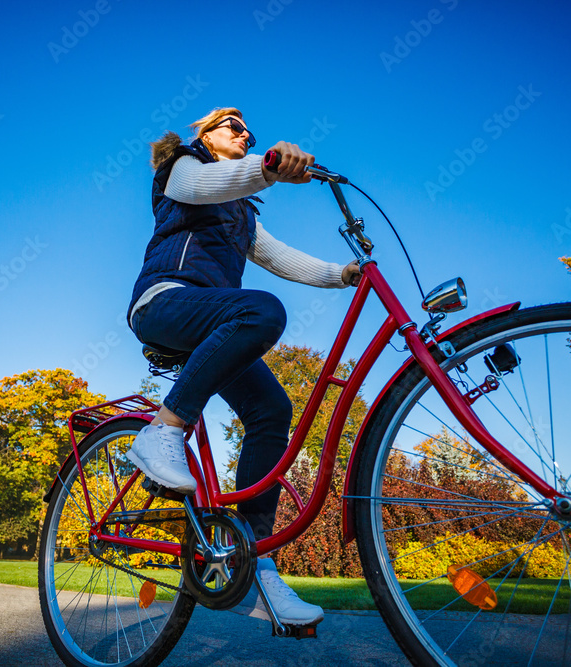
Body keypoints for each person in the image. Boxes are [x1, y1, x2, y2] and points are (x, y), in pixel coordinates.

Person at [125, 107, 360, 626]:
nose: (243, 135)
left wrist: (343, 274)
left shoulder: (242, 213)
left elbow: (283, 259)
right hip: (165, 303)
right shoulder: (183, 168)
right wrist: (270, 166)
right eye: (233, 127)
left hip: (212, 325)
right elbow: (207, 184)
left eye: (249, 133)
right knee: (262, 310)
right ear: (206, 134)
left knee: (271, 408)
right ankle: (162, 431)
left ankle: (257, 564)